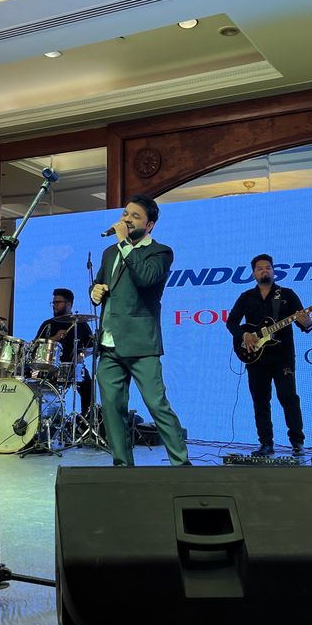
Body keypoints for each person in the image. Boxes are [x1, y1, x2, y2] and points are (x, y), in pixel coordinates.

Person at [90, 194, 189, 466]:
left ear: (150, 225)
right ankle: (123, 466)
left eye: (135, 216)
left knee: (157, 404)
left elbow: (145, 278)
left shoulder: (160, 252)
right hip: (109, 343)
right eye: (125, 213)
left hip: (141, 344)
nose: (127, 219)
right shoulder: (109, 253)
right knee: (112, 409)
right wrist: (94, 292)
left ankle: (182, 465)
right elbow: (100, 283)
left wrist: (124, 243)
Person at [226, 254, 312, 457]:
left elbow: (305, 326)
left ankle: (297, 442)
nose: (264, 271)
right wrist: (244, 335)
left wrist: (307, 322)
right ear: (253, 274)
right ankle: (266, 443)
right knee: (260, 400)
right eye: (259, 268)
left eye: (267, 267)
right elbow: (231, 322)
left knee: (288, 397)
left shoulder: (287, 294)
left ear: (273, 271)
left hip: (282, 357)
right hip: (255, 357)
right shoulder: (246, 297)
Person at [33, 288, 93, 416]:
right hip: (50, 368)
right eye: (53, 302)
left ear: (69, 304)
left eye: (57, 302)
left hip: (73, 367)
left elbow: (91, 347)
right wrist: (54, 338)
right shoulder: (48, 324)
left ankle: (85, 419)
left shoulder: (81, 324)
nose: (54, 305)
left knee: (88, 385)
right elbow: (35, 346)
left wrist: (81, 355)